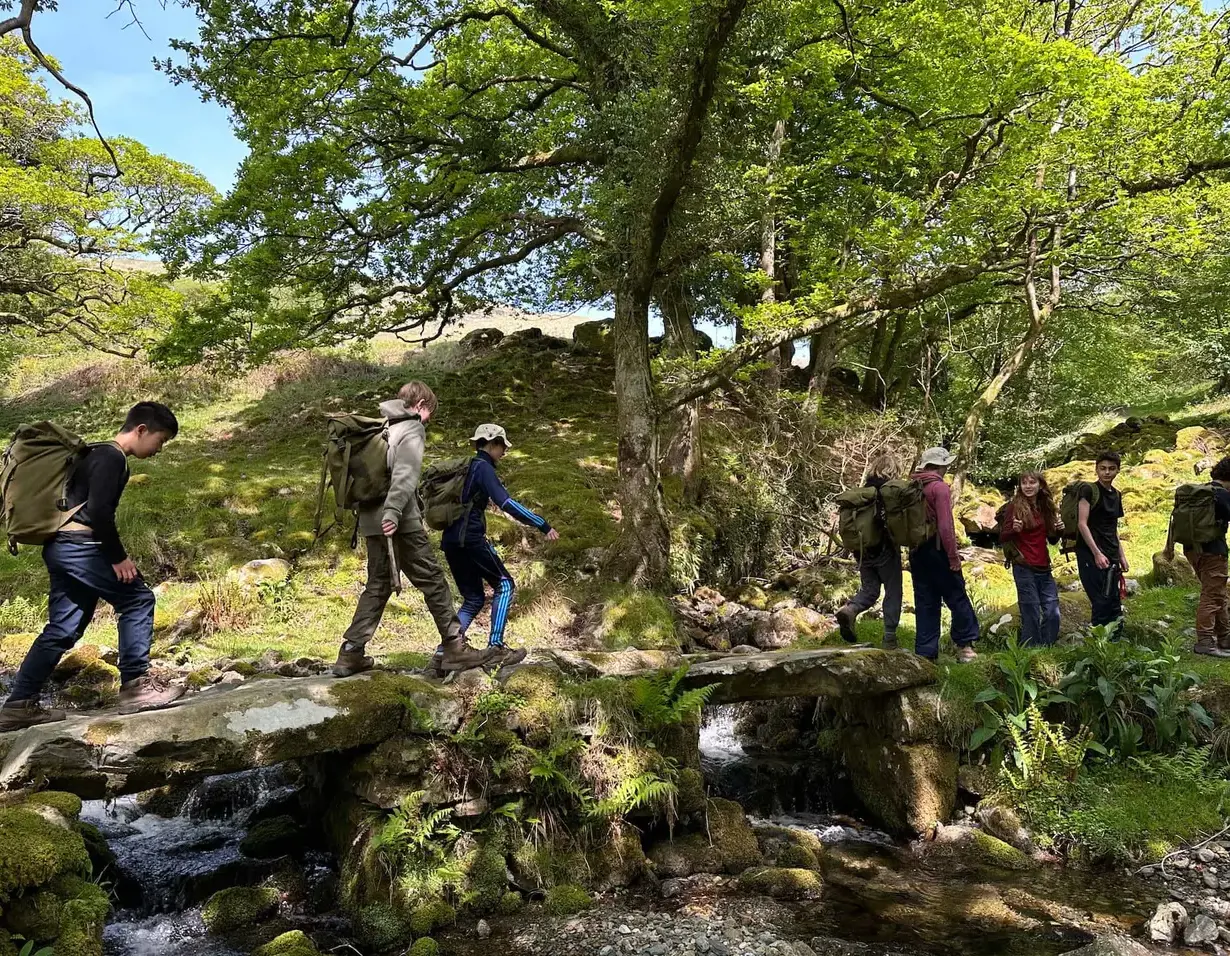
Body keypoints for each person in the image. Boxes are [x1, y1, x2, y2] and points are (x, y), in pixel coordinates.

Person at [0, 403, 186, 730]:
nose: (160, 448)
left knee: (62, 628)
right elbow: (100, 512)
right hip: (79, 548)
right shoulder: (111, 458)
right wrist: (117, 557)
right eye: (161, 439)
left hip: (58, 547)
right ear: (141, 430)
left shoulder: (93, 453)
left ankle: (18, 704)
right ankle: (135, 687)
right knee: (137, 599)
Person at [334, 382, 493, 678]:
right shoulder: (410, 428)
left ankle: (350, 653)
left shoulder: (380, 428)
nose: (428, 419)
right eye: (429, 412)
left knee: (378, 584)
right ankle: (455, 647)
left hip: (370, 522)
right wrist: (394, 512)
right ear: (420, 405)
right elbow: (405, 474)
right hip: (399, 522)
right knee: (432, 579)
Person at [439, 424, 559, 668]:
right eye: (502, 446)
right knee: (505, 585)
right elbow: (506, 503)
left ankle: (444, 653)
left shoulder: (465, 468)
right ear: (491, 444)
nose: (504, 451)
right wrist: (543, 525)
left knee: (473, 598)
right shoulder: (483, 468)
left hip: (450, 540)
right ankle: (496, 648)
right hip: (471, 539)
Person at [908, 447, 980, 662]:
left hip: (916, 551)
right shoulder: (939, 488)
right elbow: (946, 527)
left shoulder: (913, 485)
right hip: (937, 549)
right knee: (957, 596)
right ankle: (965, 646)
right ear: (940, 465)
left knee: (925, 600)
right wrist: (953, 557)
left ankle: (925, 653)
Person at [835, 454, 903, 649]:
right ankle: (890, 637)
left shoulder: (862, 493)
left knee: (870, 590)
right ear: (894, 470)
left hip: (862, 551)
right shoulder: (887, 493)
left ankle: (850, 609)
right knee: (893, 591)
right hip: (885, 550)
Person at [1164, 456, 1230, 657]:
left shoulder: (1202, 493)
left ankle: (1225, 637)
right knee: (1211, 596)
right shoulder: (1222, 496)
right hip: (1214, 551)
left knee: (1218, 593)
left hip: (1192, 550)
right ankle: (1205, 642)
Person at [1000, 472, 1063, 647]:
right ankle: (1029, 652)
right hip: (1023, 566)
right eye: (1024, 483)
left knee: (1052, 612)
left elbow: (1052, 540)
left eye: (1032, 482)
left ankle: (1046, 649)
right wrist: (1014, 529)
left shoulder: (1046, 506)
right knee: (1031, 612)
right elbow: (1003, 537)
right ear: (1019, 486)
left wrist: (1059, 530)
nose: (1028, 486)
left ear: (1040, 485)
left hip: (1044, 565)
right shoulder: (1014, 507)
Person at [1075, 450, 1128, 629]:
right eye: (1103, 468)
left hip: (1111, 552)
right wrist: (1096, 553)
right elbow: (1082, 524)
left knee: (1113, 599)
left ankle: (1115, 640)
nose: (1107, 472)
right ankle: (1099, 644)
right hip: (1090, 553)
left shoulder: (1117, 494)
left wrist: (1121, 556)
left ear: (1118, 471)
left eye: (1111, 469)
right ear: (1096, 470)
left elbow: (1112, 529)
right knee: (1100, 600)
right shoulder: (1088, 490)